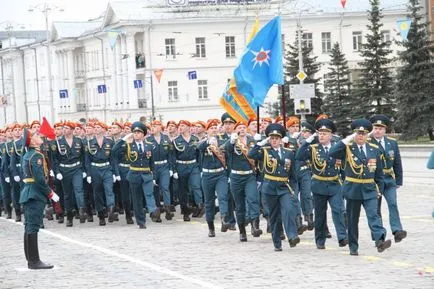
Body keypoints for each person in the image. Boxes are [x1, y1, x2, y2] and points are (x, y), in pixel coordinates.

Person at [329, 118, 392, 256]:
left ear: (367, 135)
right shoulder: (347, 148)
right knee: (352, 220)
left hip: (369, 188)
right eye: (358, 133)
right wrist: (346, 140)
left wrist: (379, 190)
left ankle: (380, 240)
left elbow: (379, 173)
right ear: (354, 134)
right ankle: (353, 246)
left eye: (364, 134)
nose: (361, 136)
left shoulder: (374, 149)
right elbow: (332, 152)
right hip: (353, 189)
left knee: (373, 215)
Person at [296, 119, 348, 249]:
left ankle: (342, 237)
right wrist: (307, 141)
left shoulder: (338, 149)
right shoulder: (313, 148)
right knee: (320, 214)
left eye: (325, 134)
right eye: (320, 133)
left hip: (335, 184)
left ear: (331, 135)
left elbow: (344, 167)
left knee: (338, 211)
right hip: (319, 185)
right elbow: (299, 156)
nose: (322, 136)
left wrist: (345, 183)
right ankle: (320, 240)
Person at [248, 123, 300, 251]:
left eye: (276, 138)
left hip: (284, 186)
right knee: (274, 216)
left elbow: (293, 174)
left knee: (289, 210)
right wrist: (261, 143)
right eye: (272, 138)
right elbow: (251, 154)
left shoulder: (289, 153)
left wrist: (294, 190)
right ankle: (277, 242)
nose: (274, 141)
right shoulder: (265, 152)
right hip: (270, 187)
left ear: (281, 139)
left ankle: (292, 235)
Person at [20, 128, 60, 269]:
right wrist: (50, 193)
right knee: (33, 226)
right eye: (36, 135)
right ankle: (34, 261)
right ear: (31, 141)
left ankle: (31, 260)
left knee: (29, 226)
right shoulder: (36, 156)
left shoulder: (29, 154)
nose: (39, 135)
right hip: (35, 193)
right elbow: (39, 179)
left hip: (29, 192)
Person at [369, 114, 407, 243]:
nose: (378, 131)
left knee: (392, 203)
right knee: (375, 208)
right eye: (375, 128)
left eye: (381, 128)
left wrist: (398, 180)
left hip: (389, 179)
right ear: (372, 129)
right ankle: (378, 235)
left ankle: (397, 230)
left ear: (385, 130)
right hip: (374, 181)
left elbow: (397, 162)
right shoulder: (368, 143)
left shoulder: (392, 142)